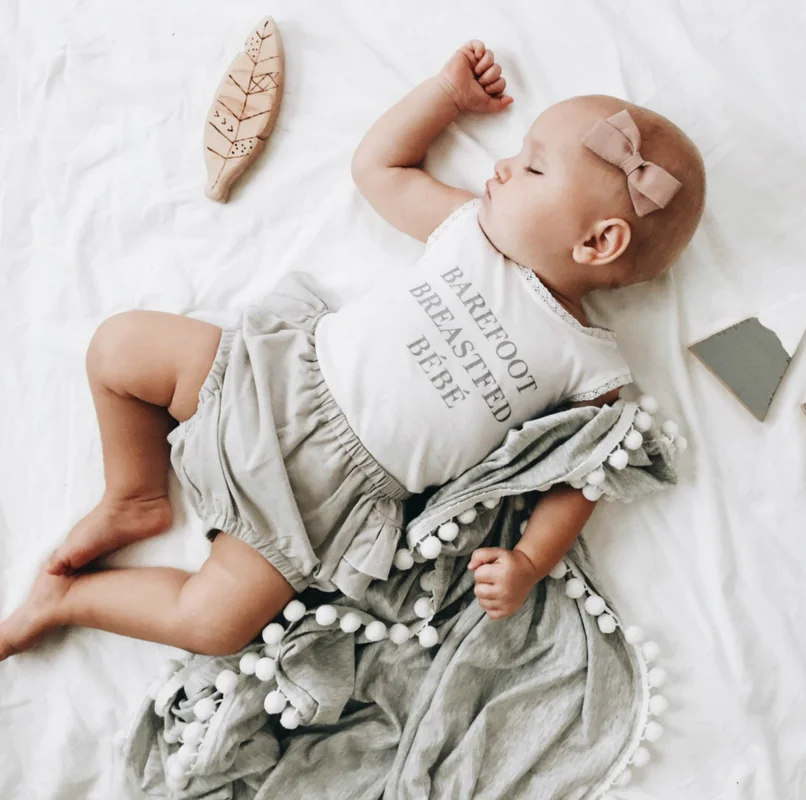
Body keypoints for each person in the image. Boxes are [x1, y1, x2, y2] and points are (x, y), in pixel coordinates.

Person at [0, 39, 705, 660]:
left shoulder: (590, 364)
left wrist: (529, 560)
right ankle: (134, 494)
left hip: (329, 497)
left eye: (532, 170)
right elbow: (378, 168)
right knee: (119, 347)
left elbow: (579, 477)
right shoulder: (468, 232)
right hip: (275, 380)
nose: (501, 165)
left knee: (216, 623)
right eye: (517, 152)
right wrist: (445, 96)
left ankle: (66, 601)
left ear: (598, 241)